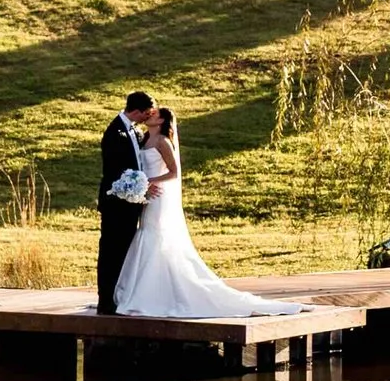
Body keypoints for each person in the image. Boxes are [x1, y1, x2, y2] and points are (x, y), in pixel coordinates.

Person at [113, 104, 298, 321]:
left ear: (162, 121)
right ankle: (143, 291)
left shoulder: (163, 142)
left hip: (159, 196)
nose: (149, 115)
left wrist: (148, 181)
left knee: (156, 236)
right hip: (147, 195)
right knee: (147, 233)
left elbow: (174, 173)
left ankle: (155, 293)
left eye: (154, 114)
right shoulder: (144, 139)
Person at [95, 88, 158, 312]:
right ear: (138, 111)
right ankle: (106, 299)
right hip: (116, 203)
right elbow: (115, 171)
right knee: (111, 250)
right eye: (147, 113)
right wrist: (138, 186)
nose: (148, 117)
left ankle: (120, 296)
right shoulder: (114, 133)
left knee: (125, 251)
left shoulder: (136, 132)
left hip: (131, 202)